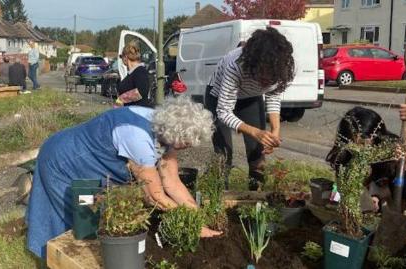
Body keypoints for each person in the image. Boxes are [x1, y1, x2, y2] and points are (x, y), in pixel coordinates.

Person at [26, 96, 222, 259]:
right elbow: (154, 196)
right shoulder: (137, 136)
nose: (187, 148)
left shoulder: (164, 128)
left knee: (88, 216)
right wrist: (192, 226)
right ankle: (56, 259)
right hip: (63, 160)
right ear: (175, 134)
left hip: (88, 167)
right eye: (186, 143)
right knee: (71, 221)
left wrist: (197, 216)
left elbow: (172, 182)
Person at [205, 27, 295, 190]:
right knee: (224, 152)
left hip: (250, 98)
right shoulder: (236, 65)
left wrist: (275, 130)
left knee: (257, 152)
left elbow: (273, 95)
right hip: (218, 97)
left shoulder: (282, 67)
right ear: (254, 64)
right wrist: (254, 131)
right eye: (263, 75)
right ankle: (218, 196)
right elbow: (224, 111)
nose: (266, 82)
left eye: (271, 77)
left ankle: (256, 198)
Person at [326, 106, 399, 212]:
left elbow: (394, 191)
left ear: (376, 137)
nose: (357, 149)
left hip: (385, 212)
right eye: (352, 142)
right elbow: (341, 184)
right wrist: (334, 198)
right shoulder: (346, 153)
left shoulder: (390, 155)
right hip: (358, 208)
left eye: (363, 143)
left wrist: (378, 198)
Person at [117, 41, 153, 107]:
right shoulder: (132, 73)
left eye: (121, 56)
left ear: (126, 57)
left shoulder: (140, 71)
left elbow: (141, 91)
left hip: (137, 112)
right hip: (128, 111)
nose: (121, 60)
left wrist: (122, 99)